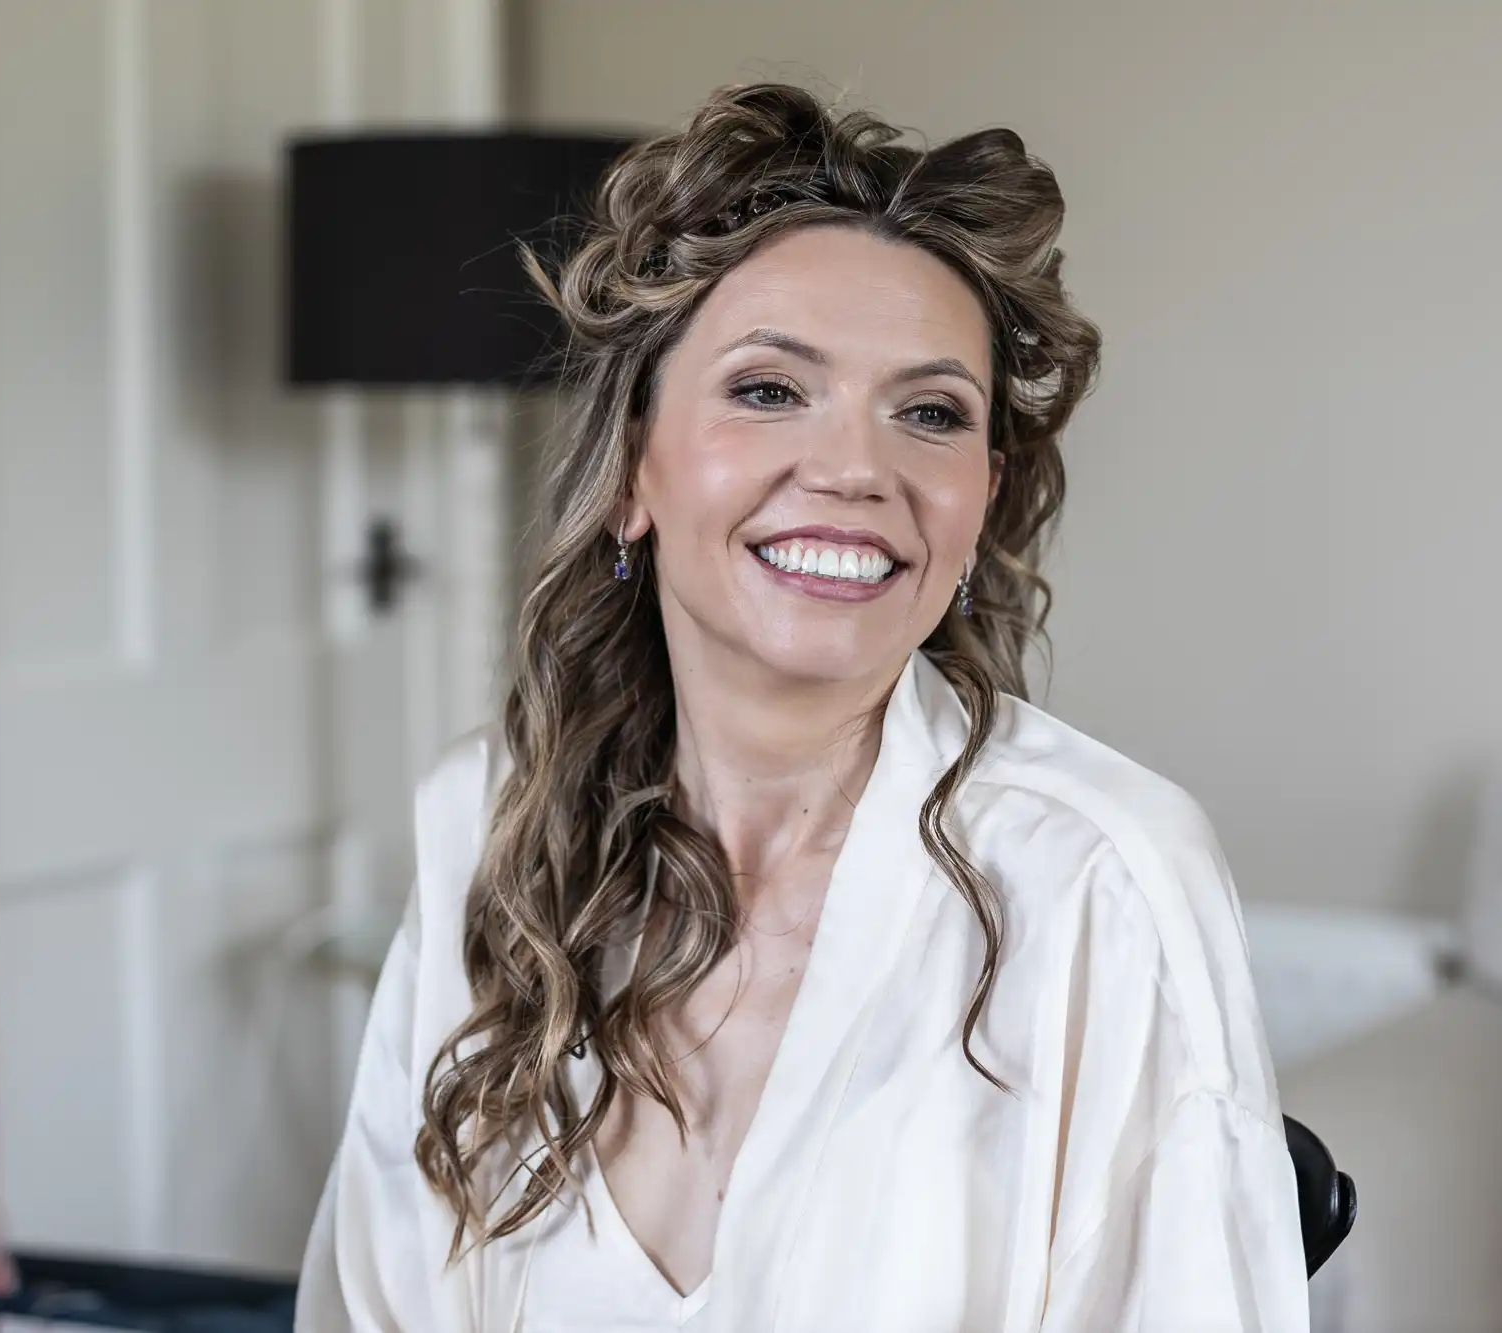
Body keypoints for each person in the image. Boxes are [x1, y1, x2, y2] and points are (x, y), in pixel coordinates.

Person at [296, 82, 1308, 1332]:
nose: (852, 469)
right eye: (769, 389)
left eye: (929, 413)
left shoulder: (1100, 874)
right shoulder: (486, 821)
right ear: (628, 469)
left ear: (980, 499)